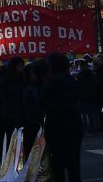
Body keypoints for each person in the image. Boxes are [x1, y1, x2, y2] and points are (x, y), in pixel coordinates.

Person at [41, 53, 82, 182]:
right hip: (73, 121)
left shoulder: (49, 81)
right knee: (73, 159)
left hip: (55, 122)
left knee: (57, 159)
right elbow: (77, 97)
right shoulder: (71, 80)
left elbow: (43, 102)